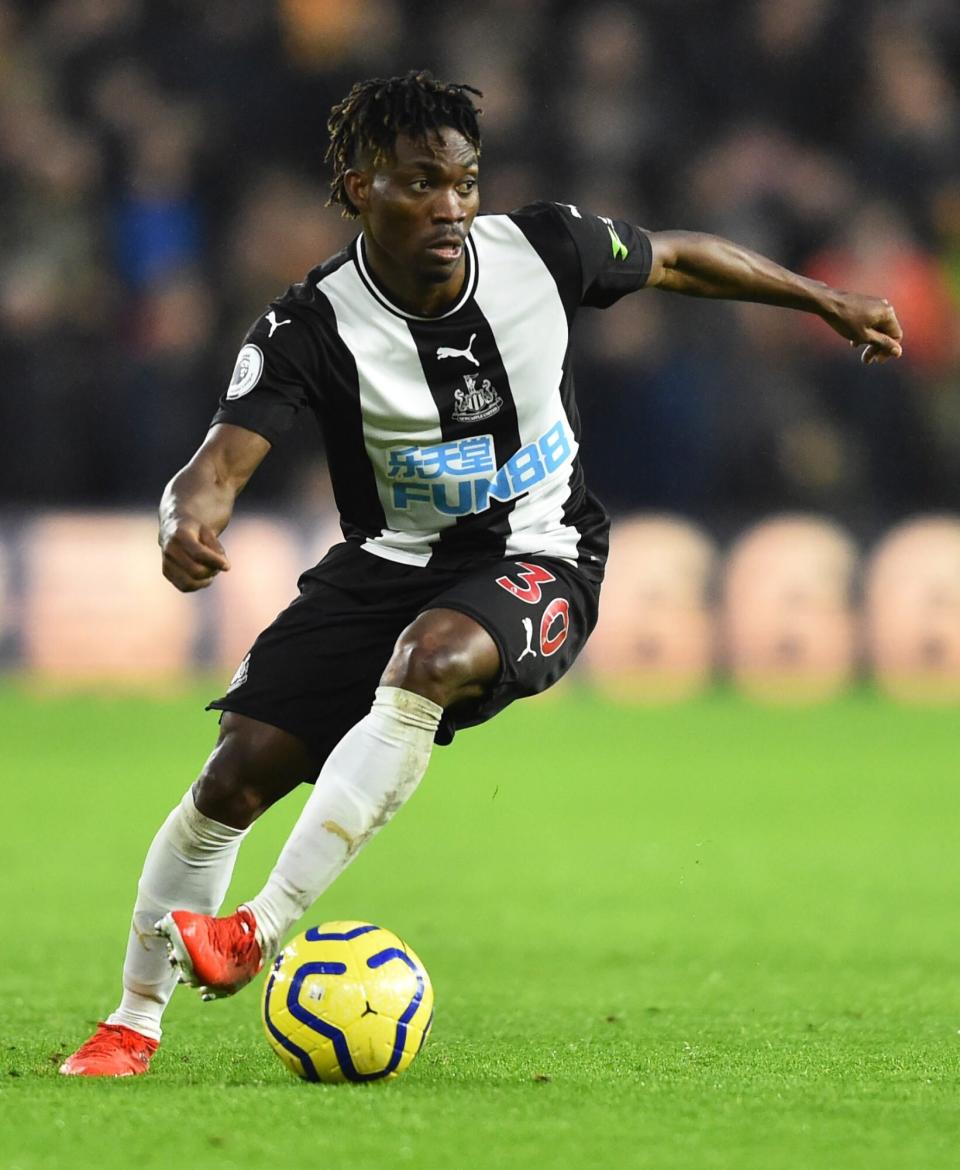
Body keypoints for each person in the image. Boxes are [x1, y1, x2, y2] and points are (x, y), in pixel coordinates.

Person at [61, 70, 903, 1076]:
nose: (450, 207)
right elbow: (217, 463)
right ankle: (131, 1023)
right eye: (419, 184)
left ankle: (260, 929)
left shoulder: (542, 249)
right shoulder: (309, 325)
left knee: (431, 659)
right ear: (357, 186)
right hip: (386, 564)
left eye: (462, 182)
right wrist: (183, 521)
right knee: (233, 780)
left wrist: (826, 299)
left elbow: (677, 258)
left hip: (541, 553)